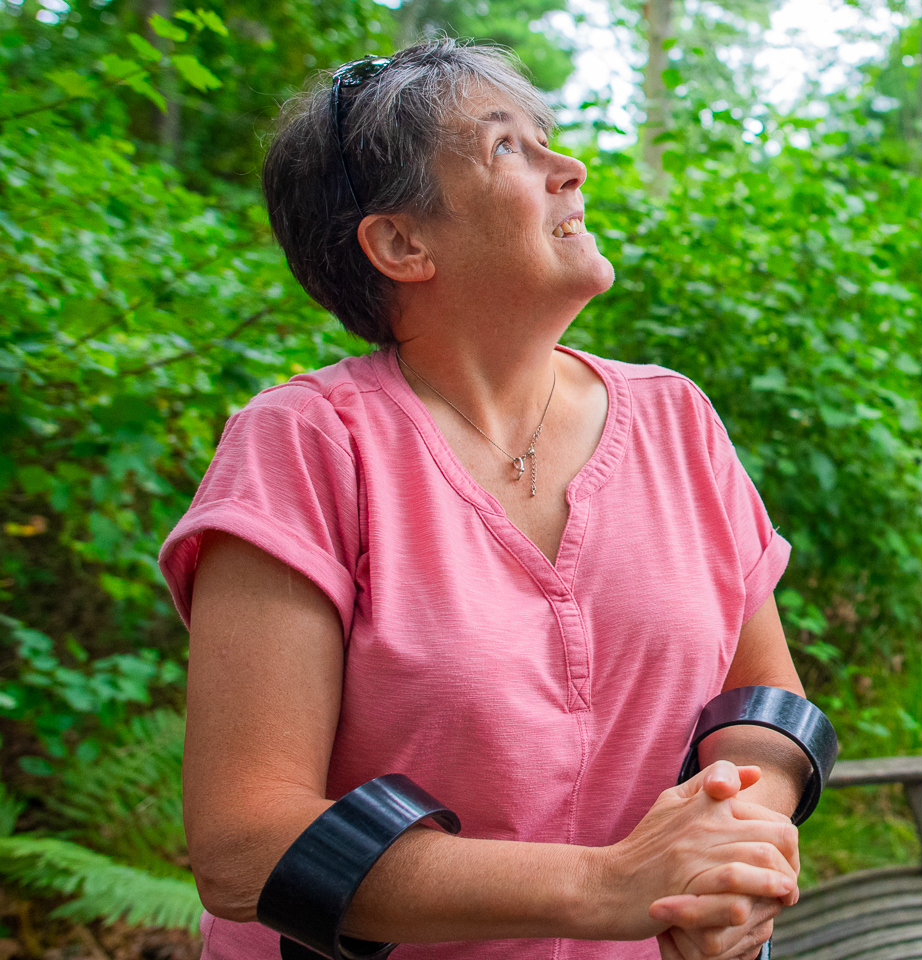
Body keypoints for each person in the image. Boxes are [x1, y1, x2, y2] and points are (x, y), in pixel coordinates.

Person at [161, 39, 810, 960]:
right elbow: (244, 846)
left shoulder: (676, 418)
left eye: (547, 136)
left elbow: (765, 698)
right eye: (509, 147)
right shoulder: (306, 447)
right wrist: (610, 885)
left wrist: (731, 859)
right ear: (401, 243)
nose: (569, 165)